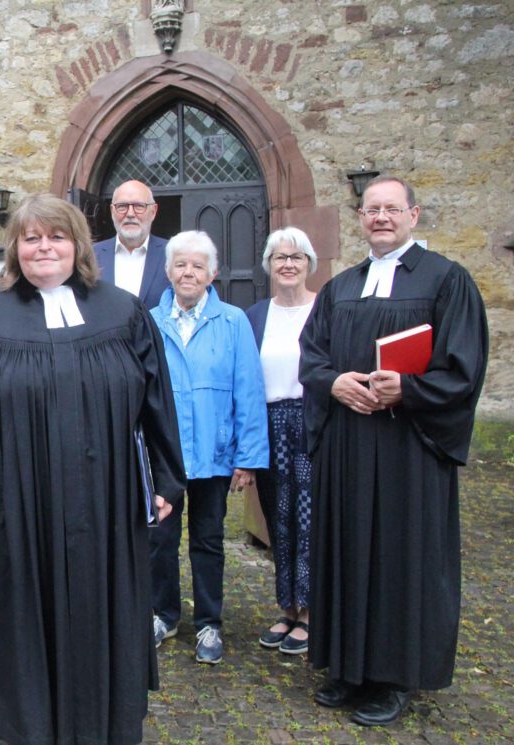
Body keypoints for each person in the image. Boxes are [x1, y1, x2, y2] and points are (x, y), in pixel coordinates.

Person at [0, 193, 185, 745]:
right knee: (21, 615)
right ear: (16, 249)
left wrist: (166, 478)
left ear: (78, 246)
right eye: (32, 237)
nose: (45, 247)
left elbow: (156, 400)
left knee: (102, 610)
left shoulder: (121, 310)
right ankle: (29, 728)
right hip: (12, 506)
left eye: (57, 236)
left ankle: (102, 724)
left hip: (106, 504)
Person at [299, 175, 488, 726]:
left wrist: (407, 389)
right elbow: (312, 354)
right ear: (361, 218)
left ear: (414, 215)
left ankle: (394, 675)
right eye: (371, 209)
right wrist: (333, 383)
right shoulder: (342, 286)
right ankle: (346, 666)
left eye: (391, 209)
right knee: (346, 546)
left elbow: (463, 368)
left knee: (401, 556)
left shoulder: (447, 280)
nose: (380, 217)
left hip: (409, 447)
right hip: (349, 445)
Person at [149, 230, 269, 665]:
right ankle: (162, 614)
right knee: (159, 540)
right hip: (164, 457)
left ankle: (209, 623)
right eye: (180, 264)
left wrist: (249, 457)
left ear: (213, 273)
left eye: (198, 265)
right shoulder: (148, 321)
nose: (188, 272)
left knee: (208, 539)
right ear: (167, 271)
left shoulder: (233, 321)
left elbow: (249, 391)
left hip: (215, 455)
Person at [245, 227, 318, 656]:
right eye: (279, 257)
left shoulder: (323, 310)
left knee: (308, 520)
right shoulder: (256, 315)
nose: (288, 264)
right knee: (278, 518)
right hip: (269, 423)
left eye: (296, 256)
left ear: (309, 263)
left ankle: (310, 611)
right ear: (269, 266)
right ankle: (287, 606)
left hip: (311, 422)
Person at [92, 179, 170, 309]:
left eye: (139, 206)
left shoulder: (172, 255)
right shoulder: (91, 255)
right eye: (122, 206)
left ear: (153, 211)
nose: (130, 214)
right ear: (112, 211)